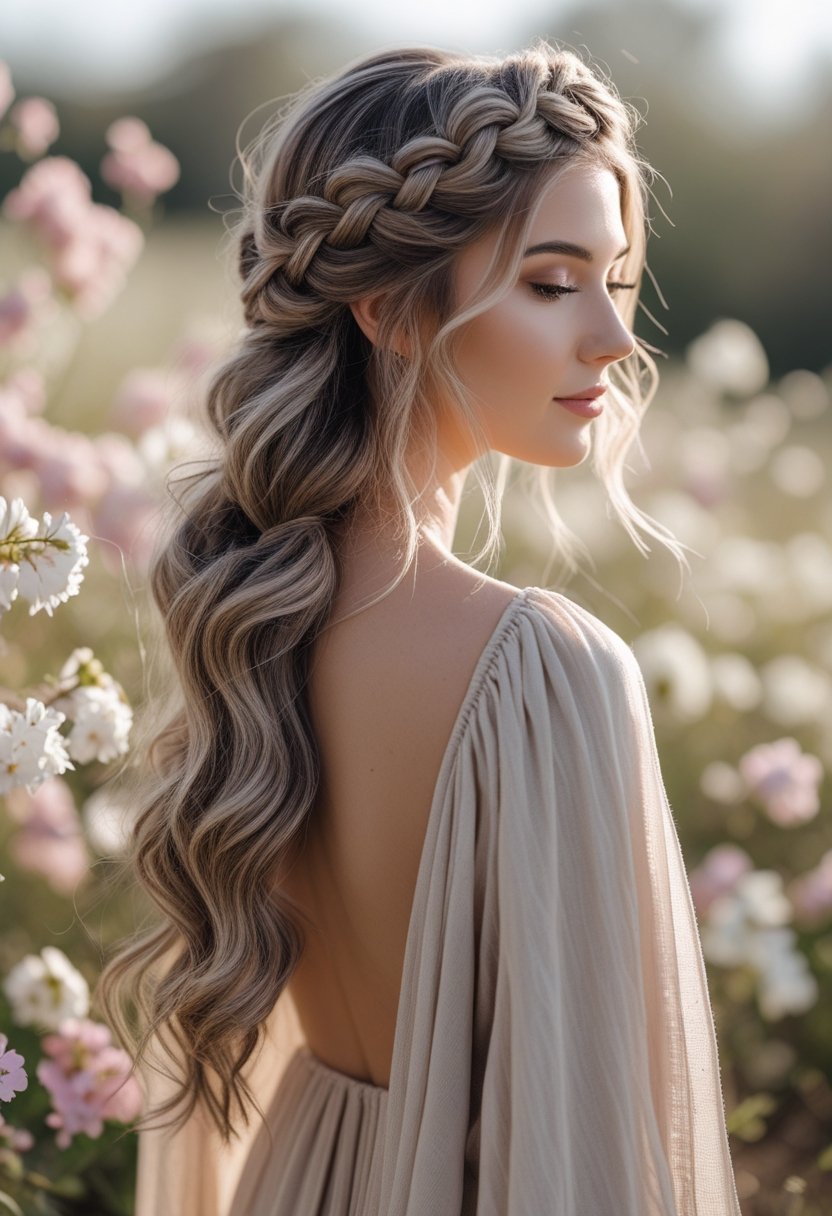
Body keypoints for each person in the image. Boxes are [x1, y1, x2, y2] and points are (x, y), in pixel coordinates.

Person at [97, 38, 743, 1215]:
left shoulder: (254, 618)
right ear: (390, 308)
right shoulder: (542, 671)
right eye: (553, 283)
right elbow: (591, 1159)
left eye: (615, 277)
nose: (610, 337)